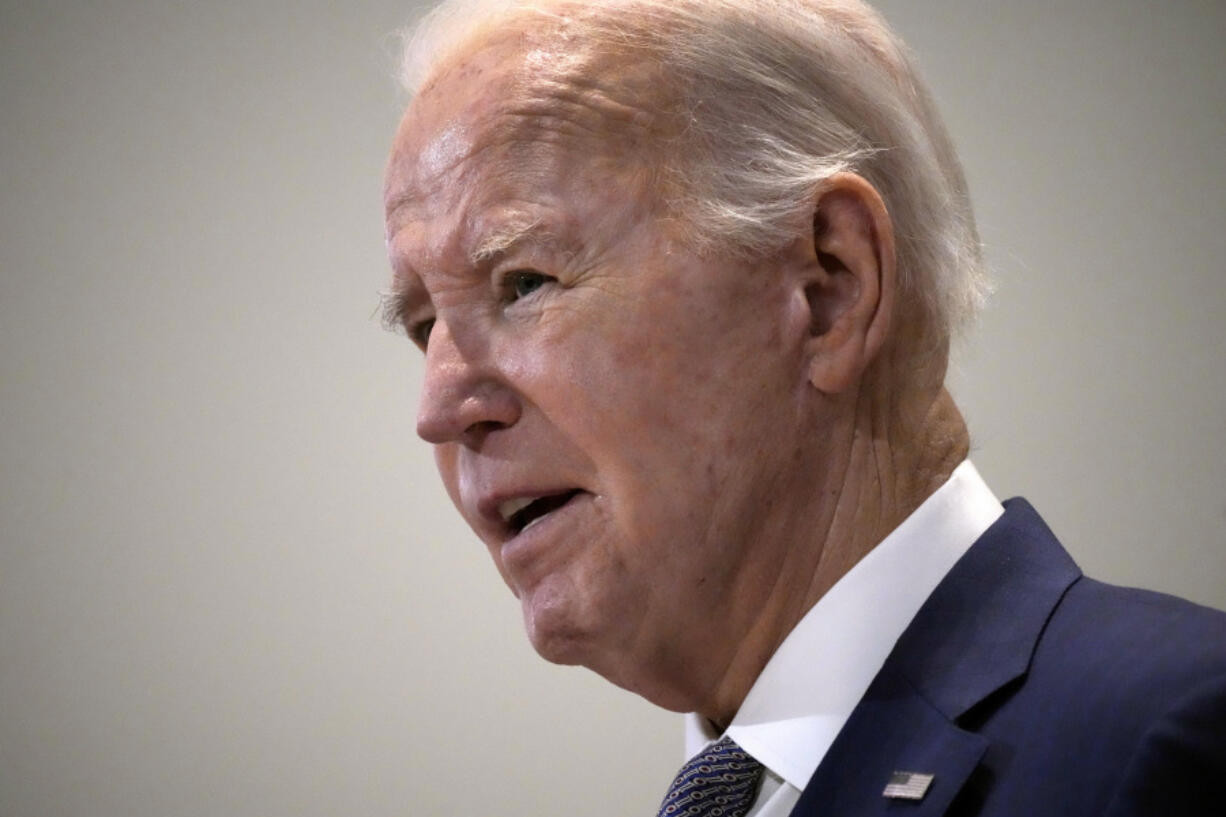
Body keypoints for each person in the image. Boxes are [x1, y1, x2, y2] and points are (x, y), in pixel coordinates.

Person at [380, 0, 1226, 814]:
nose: (441, 405)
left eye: (524, 282)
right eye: (423, 326)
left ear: (828, 285)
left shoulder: (1170, 741)